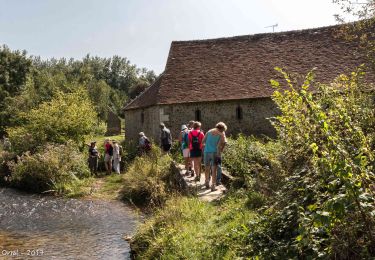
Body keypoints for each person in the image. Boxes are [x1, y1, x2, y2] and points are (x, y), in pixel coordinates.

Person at [202, 122, 227, 191]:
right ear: (222, 128)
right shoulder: (221, 134)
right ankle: (213, 185)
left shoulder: (209, 131)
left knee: (207, 168)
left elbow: (202, 141)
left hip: (206, 152)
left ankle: (207, 182)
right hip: (215, 153)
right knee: (214, 170)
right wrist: (221, 149)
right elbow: (224, 142)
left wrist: (207, 146)